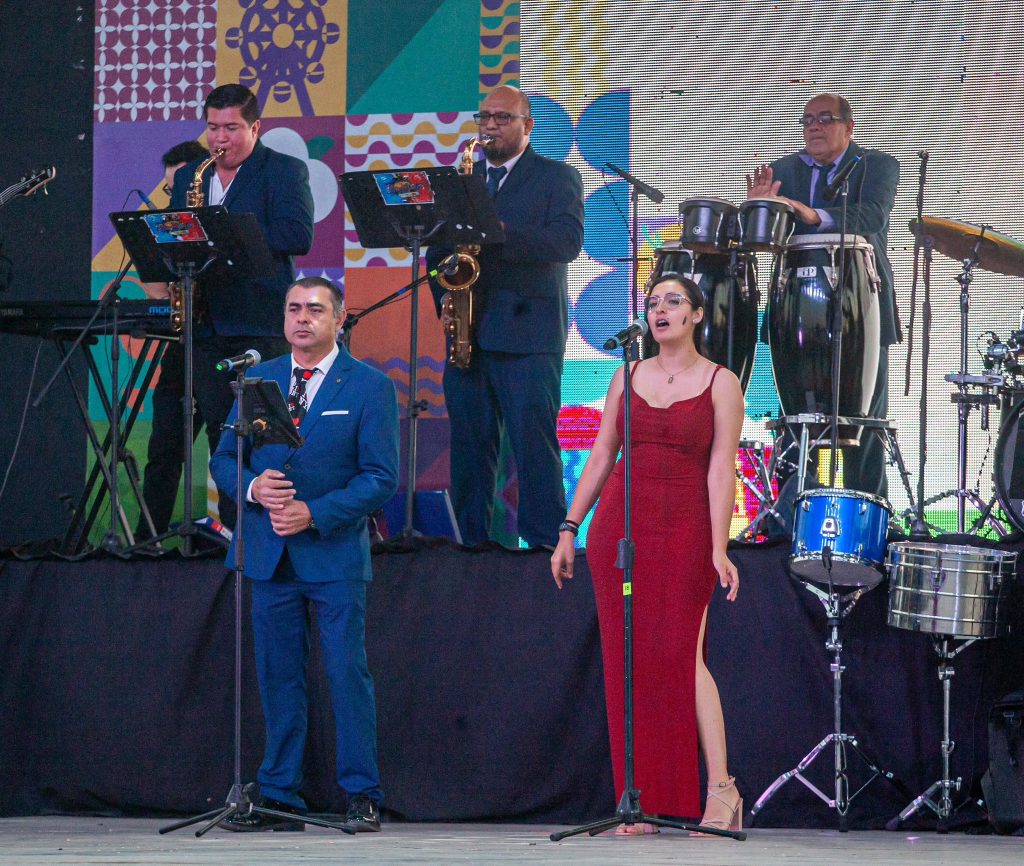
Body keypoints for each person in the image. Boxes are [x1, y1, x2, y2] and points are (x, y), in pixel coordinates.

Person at [550, 273, 744, 834]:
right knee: (627, 660)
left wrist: (719, 547)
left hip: (686, 527)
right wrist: (570, 527)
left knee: (683, 656)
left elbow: (721, 470)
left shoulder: (721, 382)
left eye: (673, 301)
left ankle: (722, 789)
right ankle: (639, 800)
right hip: (621, 526)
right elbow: (601, 454)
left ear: (696, 315)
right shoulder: (626, 374)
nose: (660, 310)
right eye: (653, 302)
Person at [210, 277, 399, 832]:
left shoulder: (369, 386)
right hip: (268, 554)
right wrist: (252, 487)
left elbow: (380, 478)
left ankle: (362, 794)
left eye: (315, 309)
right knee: (278, 678)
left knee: (346, 675)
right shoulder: (258, 378)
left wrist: (314, 512)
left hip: (333, 554)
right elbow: (224, 458)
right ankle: (278, 795)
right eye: (293, 308)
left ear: (339, 319)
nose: (302, 318)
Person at [427, 84, 584, 548]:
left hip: (528, 335)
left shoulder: (557, 176)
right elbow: (437, 250)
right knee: (470, 452)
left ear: (527, 125)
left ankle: (544, 550)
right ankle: (471, 547)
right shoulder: (463, 179)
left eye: (503, 117)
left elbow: (566, 243)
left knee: (534, 450)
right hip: (468, 334)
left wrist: (498, 232)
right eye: (485, 117)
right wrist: (445, 299)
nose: (491, 126)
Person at [170, 83, 314, 528]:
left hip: (259, 325)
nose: (219, 138)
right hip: (207, 325)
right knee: (222, 437)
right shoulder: (190, 176)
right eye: (213, 127)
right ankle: (235, 538)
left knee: (267, 439)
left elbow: (298, 234)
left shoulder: (283, 169)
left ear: (255, 128)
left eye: (231, 128)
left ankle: (271, 535)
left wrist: (225, 232)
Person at [746, 92, 900, 498]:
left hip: (860, 306)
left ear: (849, 127)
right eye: (807, 120)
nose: (814, 126)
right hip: (797, 307)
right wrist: (760, 210)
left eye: (825, 118)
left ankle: (866, 517)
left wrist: (810, 214)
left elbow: (872, 217)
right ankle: (791, 516)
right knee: (797, 422)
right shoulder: (783, 170)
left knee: (863, 425)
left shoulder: (874, 165)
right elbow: (769, 238)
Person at [136, 139, 213, 541]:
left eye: (180, 189)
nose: (174, 198)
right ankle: (147, 541)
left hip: (221, 347)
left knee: (229, 447)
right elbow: (158, 296)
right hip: (180, 347)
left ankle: (233, 543)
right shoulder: (168, 228)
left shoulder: (221, 228)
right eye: (170, 191)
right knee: (164, 450)